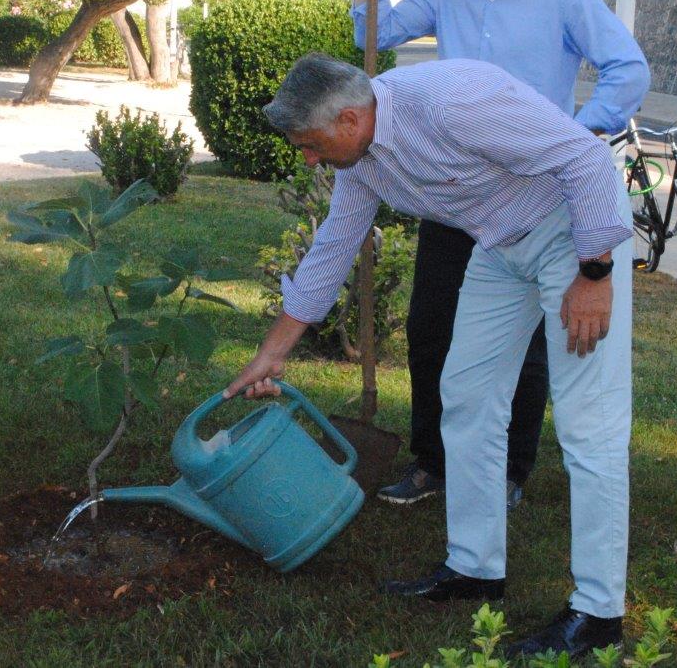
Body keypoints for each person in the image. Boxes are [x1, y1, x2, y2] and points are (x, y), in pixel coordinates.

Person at [227, 53, 634, 658]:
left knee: (589, 429)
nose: (308, 158)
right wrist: (273, 352)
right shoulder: (361, 160)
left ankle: (599, 614)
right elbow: (336, 245)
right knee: (466, 400)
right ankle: (475, 570)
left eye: (311, 144)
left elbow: (585, 156)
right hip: (500, 244)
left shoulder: (448, 101)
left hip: (572, 235)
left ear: (348, 119)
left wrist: (594, 271)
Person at [351, 0, 649, 507]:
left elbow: (628, 66)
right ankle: (433, 463)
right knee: (430, 326)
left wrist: (578, 130)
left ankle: (510, 471)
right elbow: (370, 37)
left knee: (532, 342)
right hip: (457, 194)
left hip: (537, 196)